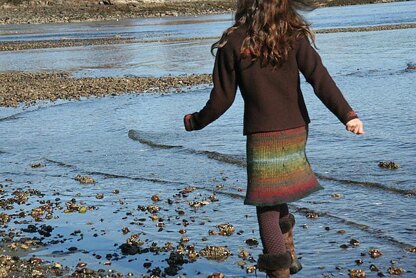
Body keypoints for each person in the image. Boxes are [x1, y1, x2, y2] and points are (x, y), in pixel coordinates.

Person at [183, 0, 364, 276]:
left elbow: (221, 100)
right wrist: (348, 115)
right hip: (296, 130)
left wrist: (196, 121)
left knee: (266, 204)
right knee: (275, 193)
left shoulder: (234, 40)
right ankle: (289, 254)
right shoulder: (292, 34)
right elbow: (320, 78)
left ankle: (279, 270)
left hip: (263, 134)